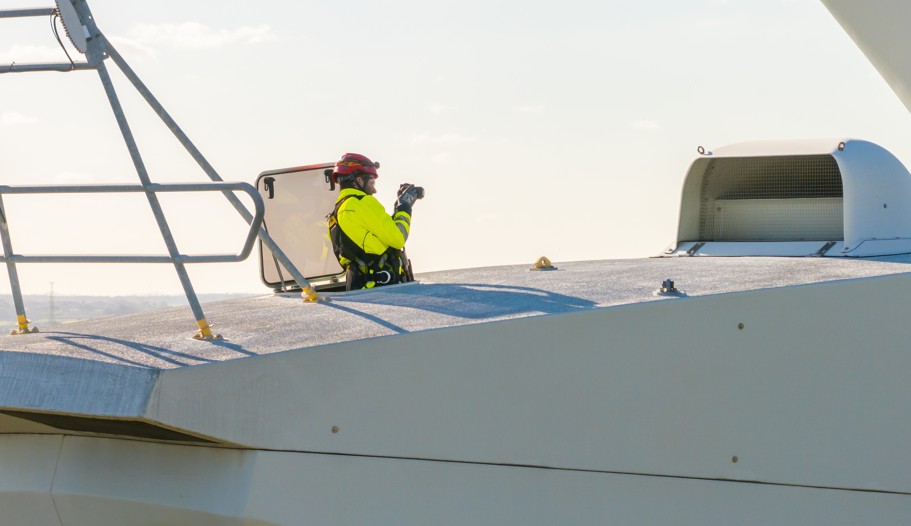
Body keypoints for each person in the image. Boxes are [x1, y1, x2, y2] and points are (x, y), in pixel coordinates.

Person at [326, 153, 420, 290]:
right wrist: (404, 207)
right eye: (372, 182)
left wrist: (396, 209)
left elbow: (375, 240)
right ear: (359, 180)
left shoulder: (338, 212)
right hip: (382, 290)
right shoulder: (362, 202)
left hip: (359, 289)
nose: (374, 190)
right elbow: (398, 238)